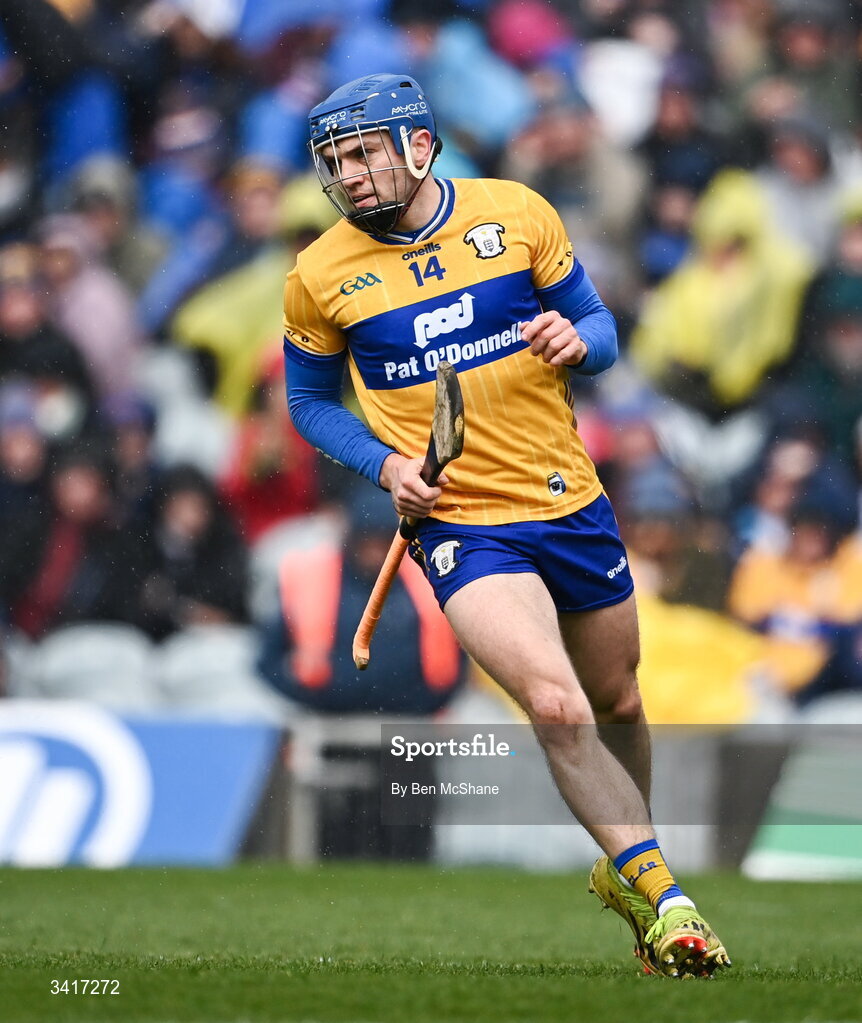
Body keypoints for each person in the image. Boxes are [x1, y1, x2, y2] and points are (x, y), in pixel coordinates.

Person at [282, 72, 730, 978]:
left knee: (619, 702)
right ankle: (670, 898)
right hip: (461, 525)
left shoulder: (517, 212)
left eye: (365, 152)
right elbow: (307, 403)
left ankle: (629, 871)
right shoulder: (320, 273)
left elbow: (600, 327)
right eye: (335, 160)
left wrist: (579, 342)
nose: (350, 174)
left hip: (567, 499)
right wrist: (386, 465)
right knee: (557, 705)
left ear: (417, 146)